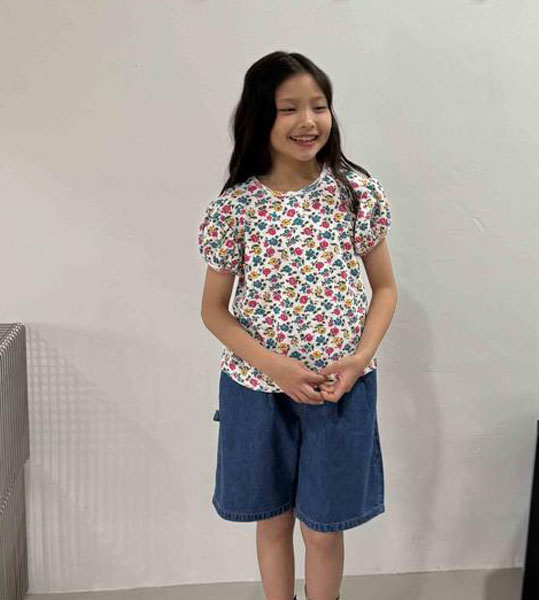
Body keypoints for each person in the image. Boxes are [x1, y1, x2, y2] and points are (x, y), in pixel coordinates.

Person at [198, 51, 397, 600]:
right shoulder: (235, 209)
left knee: (324, 529)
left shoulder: (355, 193)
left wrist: (359, 359)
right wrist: (276, 368)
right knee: (272, 521)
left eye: (319, 106)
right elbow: (213, 309)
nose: (308, 121)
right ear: (260, 115)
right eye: (289, 108)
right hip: (256, 390)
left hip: (340, 389)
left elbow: (384, 289)